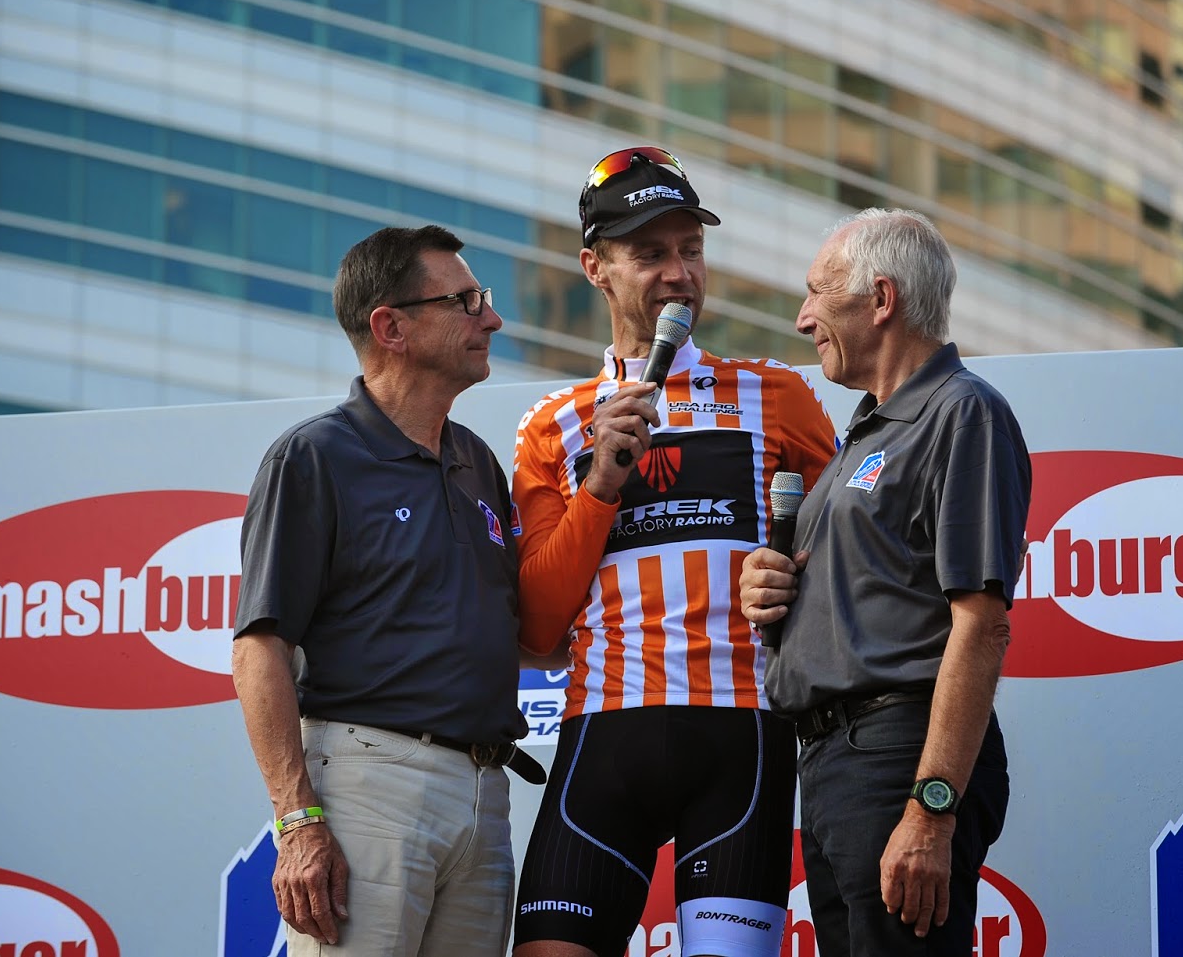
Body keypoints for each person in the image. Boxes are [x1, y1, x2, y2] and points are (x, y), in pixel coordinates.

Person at [511, 147, 839, 957]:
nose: (678, 273)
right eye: (650, 252)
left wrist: (792, 577)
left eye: (691, 249)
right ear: (595, 267)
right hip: (601, 732)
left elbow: (853, 565)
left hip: (741, 734)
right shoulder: (552, 424)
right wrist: (600, 482)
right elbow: (540, 626)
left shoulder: (778, 395)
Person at [232, 224, 543, 956]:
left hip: (486, 794)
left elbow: (527, 631)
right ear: (390, 327)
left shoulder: (478, 461)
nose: (492, 318)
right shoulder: (313, 456)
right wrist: (297, 822)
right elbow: (258, 651)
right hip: (368, 784)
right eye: (466, 301)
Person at [740, 208, 1031, 956]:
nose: (803, 317)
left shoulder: (962, 411)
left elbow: (982, 623)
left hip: (897, 756)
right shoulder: (864, 433)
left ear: (881, 298)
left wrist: (930, 809)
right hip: (833, 763)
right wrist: (773, 590)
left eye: (817, 292)